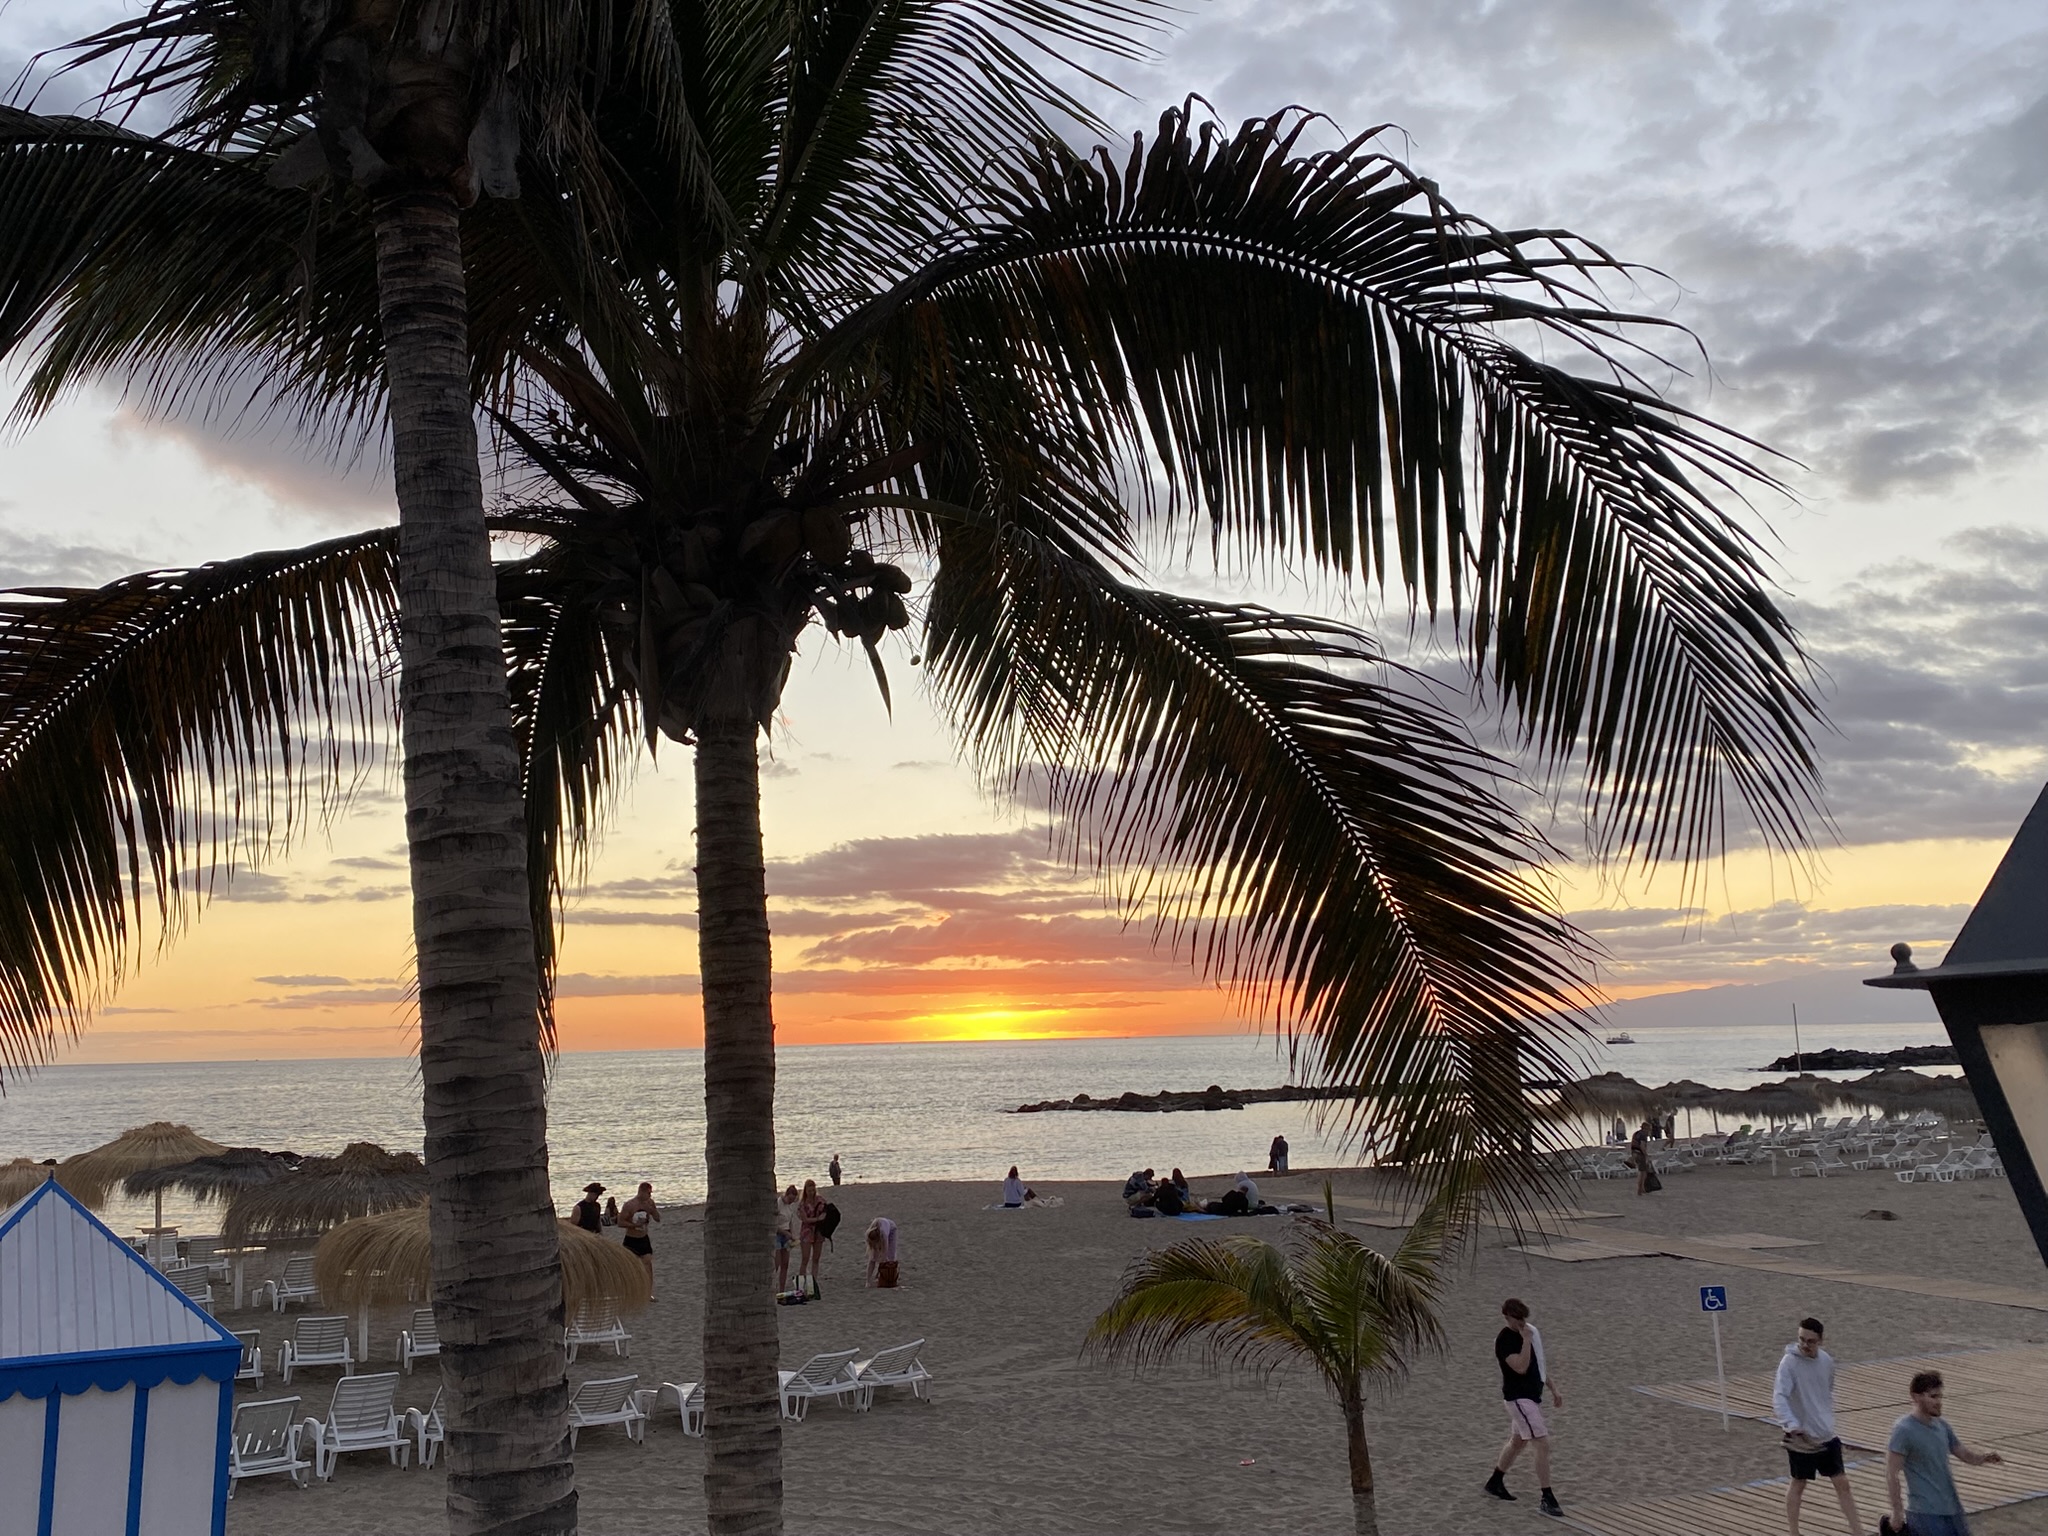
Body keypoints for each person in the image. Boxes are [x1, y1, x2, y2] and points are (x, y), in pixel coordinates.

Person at [1886, 1370, 2001, 1536]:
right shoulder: (1903, 1430)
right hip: (1924, 1512)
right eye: (1933, 1397)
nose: (1939, 1402)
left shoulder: (1942, 1426)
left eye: (1940, 1396)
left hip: (1952, 1508)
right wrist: (1897, 1512)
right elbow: (1892, 1474)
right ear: (1916, 1397)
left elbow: (1964, 1454)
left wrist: (1984, 1458)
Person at [1774, 1317, 1861, 1536]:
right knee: (1799, 1483)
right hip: (1801, 1436)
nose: (1805, 1345)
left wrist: (1826, 1420)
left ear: (1820, 1340)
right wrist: (1791, 1424)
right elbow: (1780, 1396)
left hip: (1826, 1434)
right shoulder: (1789, 1363)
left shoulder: (1826, 1361)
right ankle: (1794, 1532)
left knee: (1842, 1483)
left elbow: (1826, 1391)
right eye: (1801, 1339)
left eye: (1810, 1341)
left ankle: (1858, 1531)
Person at [1485, 1297, 1564, 1518]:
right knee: (1542, 1443)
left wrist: (1553, 1389)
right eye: (1517, 1318)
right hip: (1519, 1399)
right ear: (1507, 1317)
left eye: (1523, 1318)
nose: (1521, 1322)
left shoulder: (1529, 1332)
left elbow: (1539, 1365)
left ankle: (1495, 1481)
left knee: (1517, 1442)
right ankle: (1547, 1497)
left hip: (1532, 1396)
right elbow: (1520, 1367)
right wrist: (1526, 1340)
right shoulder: (1504, 1340)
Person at [618, 1181, 660, 1300]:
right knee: (630, 1267)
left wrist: (653, 1210)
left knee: (648, 1264)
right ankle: (629, 1291)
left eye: (651, 1193)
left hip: (643, 1238)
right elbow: (620, 1222)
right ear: (641, 1192)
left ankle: (648, 1293)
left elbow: (658, 1219)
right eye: (648, 1193)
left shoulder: (650, 1203)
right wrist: (634, 1225)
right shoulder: (630, 1205)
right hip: (631, 1239)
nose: (650, 1195)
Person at [798, 1178, 828, 1285]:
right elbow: (805, 1219)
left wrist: (823, 1216)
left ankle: (813, 1283)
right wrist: (817, 1219)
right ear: (805, 1190)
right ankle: (801, 1284)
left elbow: (826, 1212)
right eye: (809, 1190)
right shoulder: (802, 1203)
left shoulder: (820, 1200)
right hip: (807, 1231)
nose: (811, 1193)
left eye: (813, 1190)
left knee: (816, 1258)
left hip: (818, 1232)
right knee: (805, 1258)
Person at [775, 1183, 800, 1291]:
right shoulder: (778, 1204)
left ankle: (782, 1288)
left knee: (785, 1264)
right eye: (790, 1199)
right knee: (776, 1264)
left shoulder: (790, 1206)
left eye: (792, 1200)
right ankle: (772, 1286)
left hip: (787, 1234)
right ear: (786, 1195)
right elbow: (774, 1224)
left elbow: (790, 1221)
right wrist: (785, 1233)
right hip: (777, 1234)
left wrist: (792, 1234)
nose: (790, 1202)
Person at [866, 1217, 899, 1287]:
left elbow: (885, 1253)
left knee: (890, 1257)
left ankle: (885, 1277)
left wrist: (879, 1271)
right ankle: (868, 1281)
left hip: (892, 1229)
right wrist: (868, 1281)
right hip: (880, 1231)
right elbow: (872, 1258)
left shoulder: (884, 1234)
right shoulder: (869, 1233)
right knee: (872, 1258)